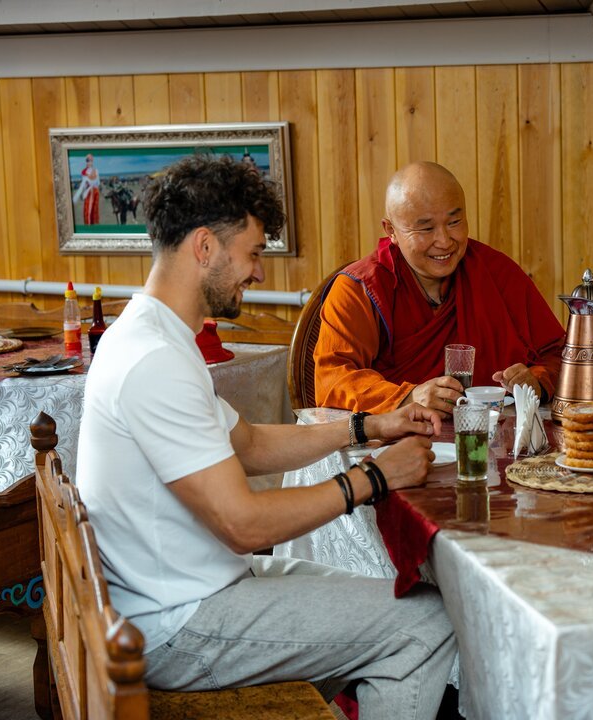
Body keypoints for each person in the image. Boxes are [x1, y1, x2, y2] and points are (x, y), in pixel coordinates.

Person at [76, 154, 457, 719]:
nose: (258, 273)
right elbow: (242, 525)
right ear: (205, 246)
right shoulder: (153, 359)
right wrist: (374, 477)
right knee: (425, 624)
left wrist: (370, 425)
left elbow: (249, 444)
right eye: (253, 253)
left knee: (399, 600)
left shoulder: (150, 333)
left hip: (185, 587)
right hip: (176, 623)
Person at [314, 161, 565, 414]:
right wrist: (409, 396)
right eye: (426, 228)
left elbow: (560, 355)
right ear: (391, 230)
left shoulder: (496, 272)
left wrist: (536, 381)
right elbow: (332, 379)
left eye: (454, 222)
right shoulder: (360, 289)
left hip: (493, 432)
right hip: (398, 435)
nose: (444, 241)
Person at [73, 153, 101, 225]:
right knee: (88, 210)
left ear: (92, 161)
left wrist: (92, 184)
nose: (89, 162)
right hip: (89, 192)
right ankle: (88, 225)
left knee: (95, 210)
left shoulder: (96, 170)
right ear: (86, 161)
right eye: (87, 161)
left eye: (90, 161)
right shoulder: (84, 172)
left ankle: (94, 225)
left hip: (95, 192)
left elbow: (98, 183)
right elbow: (83, 185)